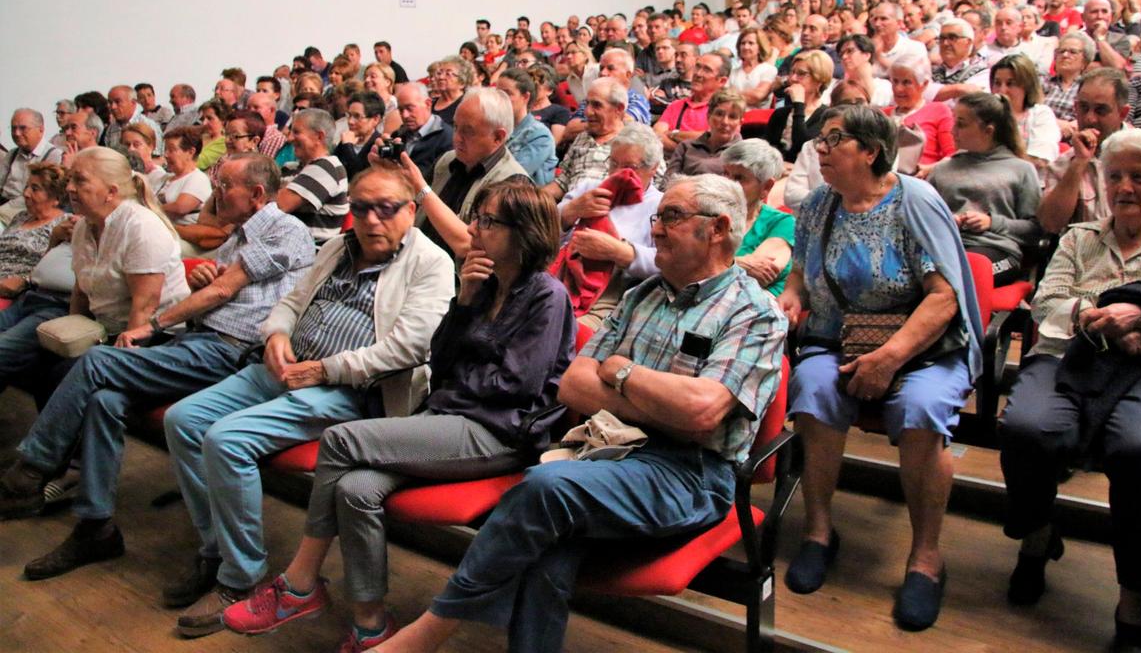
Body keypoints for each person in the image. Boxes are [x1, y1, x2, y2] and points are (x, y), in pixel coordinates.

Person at [378, 173, 787, 653]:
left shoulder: (754, 312)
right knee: (550, 550)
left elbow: (701, 414)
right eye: (657, 217)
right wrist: (658, 399)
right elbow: (573, 386)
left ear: (717, 229)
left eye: (671, 217)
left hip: (690, 475)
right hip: (605, 454)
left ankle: (428, 632)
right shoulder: (642, 296)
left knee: (546, 488)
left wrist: (622, 372)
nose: (654, 229)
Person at [220, 179, 575, 650]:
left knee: (342, 439)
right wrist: (465, 302)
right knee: (354, 487)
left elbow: (516, 386)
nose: (474, 228)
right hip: (450, 417)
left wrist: (458, 381)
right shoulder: (483, 286)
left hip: (500, 433)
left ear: (523, 232)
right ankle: (371, 624)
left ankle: (301, 582)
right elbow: (441, 360)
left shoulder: (547, 296)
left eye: (488, 221)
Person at [161, 165, 456, 638]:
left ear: (412, 210)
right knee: (183, 419)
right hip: (282, 368)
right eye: (360, 208)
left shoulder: (431, 262)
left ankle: (239, 578)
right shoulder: (339, 246)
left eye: (386, 208)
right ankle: (216, 546)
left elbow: (409, 347)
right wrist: (276, 332)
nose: (372, 220)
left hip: (347, 390)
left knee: (225, 440)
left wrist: (324, 369)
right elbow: (294, 300)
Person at [0, 155, 314, 578]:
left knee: (96, 362)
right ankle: (96, 526)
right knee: (105, 399)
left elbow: (223, 288)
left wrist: (153, 324)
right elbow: (213, 279)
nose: (215, 194)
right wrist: (204, 275)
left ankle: (30, 470)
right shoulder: (240, 234)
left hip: (231, 351)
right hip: (200, 341)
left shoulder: (286, 229)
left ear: (257, 194)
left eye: (224, 187)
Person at [778, 104, 982, 631]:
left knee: (919, 409)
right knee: (813, 387)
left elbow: (943, 300)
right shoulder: (819, 203)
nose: (819, 150)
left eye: (834, 140)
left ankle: (926, 558)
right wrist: (792, 298)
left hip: (922, 348)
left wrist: (890, 359)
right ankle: (819, 531)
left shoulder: (916, 202)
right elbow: (800, 271)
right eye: (819, 140)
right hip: (838, 339)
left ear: (870, 151)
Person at [998, 128, 1141, 652]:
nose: (1125, 187)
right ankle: (1039, 536)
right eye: (1115, 177)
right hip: (1071, 356)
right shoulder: (1079, 238)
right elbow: (1046, 304)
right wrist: (1097, 319)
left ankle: (1136, 601)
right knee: (1026, 427)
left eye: (1139, 177)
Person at [0, 147, 190, 400]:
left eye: (80, 181)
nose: (69, 188)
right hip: (102, 328)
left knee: (57, 373)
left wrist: (117, 363)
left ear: (111, 192)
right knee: (45, 363)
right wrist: (67, 336)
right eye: (70, 180)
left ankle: (51, 440)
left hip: (150, 336)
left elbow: (143, 310)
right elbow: (80, 291)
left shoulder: (141, 226)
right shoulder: (84, 227)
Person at [1039, 68, 1141, 234]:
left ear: (1123, 113)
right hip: (1090, 255)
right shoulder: (1064, 164)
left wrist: (1106, 239)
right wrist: (1079, 163)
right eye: (1083, 108)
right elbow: (1050, 224)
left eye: (1101, 110)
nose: (1090, 118)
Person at [394, 88, 528, 259]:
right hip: (415, 262)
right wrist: (391, 175)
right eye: (456, 127)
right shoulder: (447, 161)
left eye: (468, 131)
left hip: (459, 281)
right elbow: (410, 213)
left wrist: (422, 189)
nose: (457, 137)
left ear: (498, 137)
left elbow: (470, 246)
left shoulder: (513, 182)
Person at [927, 93, 1042, 286]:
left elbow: (1034, 230)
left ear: (988, 130)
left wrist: (991, 222)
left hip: (994, 248)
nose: (952, 131)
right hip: (945, 245)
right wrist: (947, 221)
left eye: (961, 124)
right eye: (954, 122)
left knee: (959, 274)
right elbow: (923, 216)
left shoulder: (1021, 169)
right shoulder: (942, 169)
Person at [556, 122, 664, 329]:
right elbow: (543, 231)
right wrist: (572, 210)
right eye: (613, 163)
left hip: (616, 291)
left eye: (629, 167)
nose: (617, 173)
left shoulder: (661, 205)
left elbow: (668, 264)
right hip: (564, 274)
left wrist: (620, 252)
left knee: (565, 328)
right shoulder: (590, 187)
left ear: (653, 168)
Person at [722, 139, 793, 296]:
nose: (727, 183)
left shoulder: (781, 223)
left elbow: (760, 274)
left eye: (739, 178)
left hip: (754, 310)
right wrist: (739, 263)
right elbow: (683, 264)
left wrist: (713, 264)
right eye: (725, 174)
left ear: (766, 186)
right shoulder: (709, 214)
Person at [545, 78, 628, 202]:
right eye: (587, 104)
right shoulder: (582, 137)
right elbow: (562, 183)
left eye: (597, 105)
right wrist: (532, 196)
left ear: (618, 109)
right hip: (569, 210)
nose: (588, 112)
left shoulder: (635, 142)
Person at [277, 109, 350, 244]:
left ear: (319, 137)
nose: (290, 138)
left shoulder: (327, 167)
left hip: (308, 256)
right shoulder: (290, 167)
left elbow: (276, 207)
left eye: (297, 132)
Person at [0, 164, 69, 299]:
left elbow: (53, 268)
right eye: (27, 186)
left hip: (17, 291)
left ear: (56, 198)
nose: (26, 194)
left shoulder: (64, 224)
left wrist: (24, 281)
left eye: (35, 189)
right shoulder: (21, 216)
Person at [989, 54, 1061, 173]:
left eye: (1010, 84)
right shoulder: (984, 115)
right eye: (997, 83)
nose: (1002, 90)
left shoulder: (1041, 114)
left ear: (1027, 86)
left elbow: (1039, 162)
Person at [887, 51, 954, 171]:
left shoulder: (938, 111)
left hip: (921, 181)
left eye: (906, 82)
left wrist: (928, 169)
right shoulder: (881, 114)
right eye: (895, 81)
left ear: (924, 84)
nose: (898, 89)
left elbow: (953, 156)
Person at [654, 52, 731, 154]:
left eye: (707, 70)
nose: (698, 74)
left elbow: (711, 138)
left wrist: (673, 134)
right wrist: (685, 153)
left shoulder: (725, 109)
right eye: (697, 67)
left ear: (722, 81)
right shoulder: (676, 105)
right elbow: (656, 135)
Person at [765, 50, 835, 161]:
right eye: (792, 72)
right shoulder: (780, 113)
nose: (793, 78)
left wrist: (799, 105)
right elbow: (766, 149)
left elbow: (803, 147)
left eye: (801, 74)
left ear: (819, 80)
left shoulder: (827, 116)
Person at [496, 68, 557, 186]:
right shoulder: (493, 127)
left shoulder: (540, 135)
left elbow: (511, 177)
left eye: (507, 93)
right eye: (498, 93)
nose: (500, 98)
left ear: (525, 97)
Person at [665, 88, 744, 177]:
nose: (725, 122)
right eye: (719, 114)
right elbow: (667, 183)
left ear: (740, 123)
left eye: (732, 117)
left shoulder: (744, 153)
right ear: (708, 116)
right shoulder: (686, 147)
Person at [1, 109, 63, 207]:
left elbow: (46, 196)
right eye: (13, 128)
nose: (17, 133)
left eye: (23, 128)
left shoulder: (54, 156)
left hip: (26, 208)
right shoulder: (12, 153)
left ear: (41, 130)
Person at [157, 127, 212, 227]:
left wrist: (151, 208)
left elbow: (180, 208)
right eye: (165, 150)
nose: (166, 155)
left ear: (190, 152)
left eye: (171, 150)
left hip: (181, 235)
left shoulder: (198, 178)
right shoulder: (166, 178)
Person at [1042, 31, 1092, 131]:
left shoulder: (1089, 87)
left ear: (1085, 61)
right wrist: (1059, 124)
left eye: (1072, 52)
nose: (1065, 55)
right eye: (1061, 51)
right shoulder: (1042, 82)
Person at [930, 18, 991, 102]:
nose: (945, 43)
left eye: (952, 38)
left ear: (968, 42)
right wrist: (958, 89)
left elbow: (968, 104)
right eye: (942, 38)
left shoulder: (982, 73)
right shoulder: (930, 71)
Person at [335, 92, 385, 180]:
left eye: (357, 116)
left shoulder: (379, 146)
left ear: (375, 119)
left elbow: (360, 175)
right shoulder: (345, 141)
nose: (350, 121)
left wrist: (348, 147)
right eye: (349, 115)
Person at [835, 35, 893, 107]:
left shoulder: (884, 86)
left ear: (866, 55)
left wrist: (865, 77)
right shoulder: (836, 86)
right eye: (841, 54)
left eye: (849, 51)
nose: (844, 57)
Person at [729, 29, 776, 108]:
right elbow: (723, 96)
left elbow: (758, 95)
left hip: (758, 118)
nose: (746, 47)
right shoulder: (733, 72)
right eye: (743, 43)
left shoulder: (769, 69)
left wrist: (732, 94)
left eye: (751, 43)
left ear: (760, 47)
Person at [120, 123, 167, 193]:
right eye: (127, 145)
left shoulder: (159, 177)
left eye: (136, 145)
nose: (131, 149)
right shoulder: (119, 173)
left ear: (151, 147)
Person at [431, 57, 471, 125]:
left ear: (462, 83)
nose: (441, 77)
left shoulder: (466, 105)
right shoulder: (431, 103)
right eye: (439, 73)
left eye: (448, 74)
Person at [195, 99, 229, 172]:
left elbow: (200, 162)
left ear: (223, 119)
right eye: (202, 119)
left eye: (209, 118)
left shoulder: (224, 142)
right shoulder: (199, 137)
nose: (204, 123)